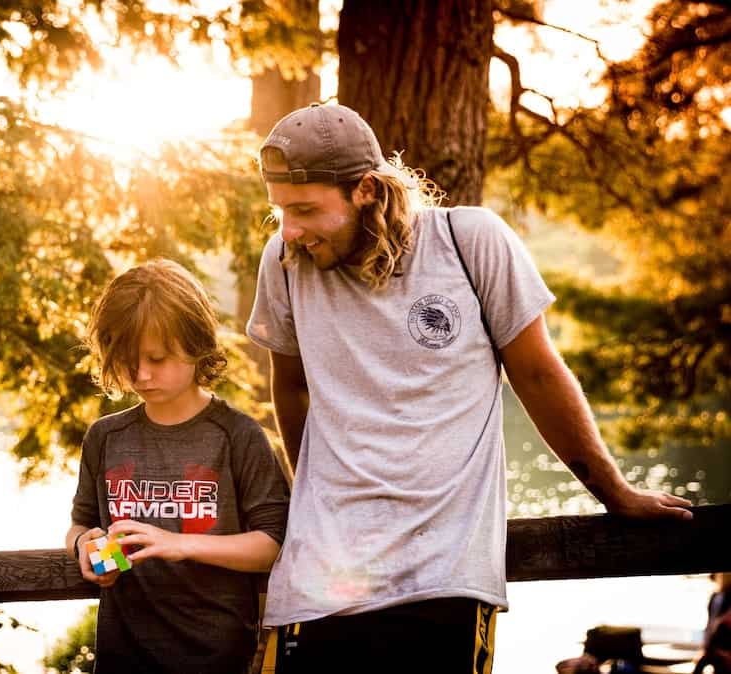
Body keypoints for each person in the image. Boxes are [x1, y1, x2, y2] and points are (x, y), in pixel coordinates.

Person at [245, 102, 695, 673]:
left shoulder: (469, 242)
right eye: (280, 210)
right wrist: (309, 500)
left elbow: (538, 375)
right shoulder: (284, 263)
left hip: (443, 581)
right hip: (320, 585)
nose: (290, 230)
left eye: (305, 209)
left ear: (364, 190)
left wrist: (614, 492)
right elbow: (293, 389)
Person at [67, 258, 290, 674]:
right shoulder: (105, 437)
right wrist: (85, 546)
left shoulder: (238, 437)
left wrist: (178, 543)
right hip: (122, 658)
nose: (142, 374)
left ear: (196, 342)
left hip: (217, 659)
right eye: (129, 360)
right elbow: (80, 524)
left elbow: (272, 545)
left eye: (158, 358)